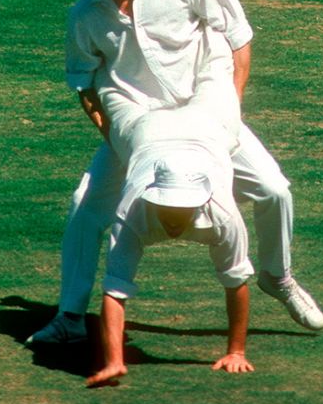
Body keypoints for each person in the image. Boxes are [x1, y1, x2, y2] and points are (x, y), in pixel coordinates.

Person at [26, 0, 323, 346]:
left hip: (206, 115)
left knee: (274, 190)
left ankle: (277, 277)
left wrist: (231, 109)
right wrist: (116, 137)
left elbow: (238, 39)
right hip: (138, 126)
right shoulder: (84, 17)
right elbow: (86, 86)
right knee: (85, 206)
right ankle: (71, 316)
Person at [86, 123, 255, 388]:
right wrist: (114, 361)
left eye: (183, 207)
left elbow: (236, 280)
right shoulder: (130, 213)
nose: (174, 217)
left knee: (273, 188)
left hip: (209, 134)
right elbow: (114, 289)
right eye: (168, 206)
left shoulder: (225, 216)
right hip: (147, 135)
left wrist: (237, 351)